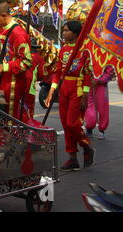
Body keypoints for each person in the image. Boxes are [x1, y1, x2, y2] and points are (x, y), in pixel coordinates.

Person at [45, 20, 95, 171]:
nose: (64, 32)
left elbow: (87, 73)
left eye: (67, 30)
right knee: (66, 125)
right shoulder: (63, 49)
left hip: (77, 88)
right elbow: (58, 72)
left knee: (73, 123)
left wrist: (85, 94)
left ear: (75, 33)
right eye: (64, 30)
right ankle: (72, 158)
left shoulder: (84, 50)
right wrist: (52, 89)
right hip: (63, 88)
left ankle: (86, 146)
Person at [0, 0, 32, 120]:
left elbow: (26, 61)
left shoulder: (18, 34)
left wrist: (3, 67)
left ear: (4, 15)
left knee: (10, 119)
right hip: (0, 83)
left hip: (12, 85)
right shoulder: (0, 32)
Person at [85, 65, 115, 140]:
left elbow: (109, 73)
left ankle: (101, 130)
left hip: (101, 86)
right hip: (89, 84)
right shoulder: (87, 54)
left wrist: (99, 80)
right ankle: (89, 128)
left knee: (103, 108)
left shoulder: (106, 56)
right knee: (89, 107)